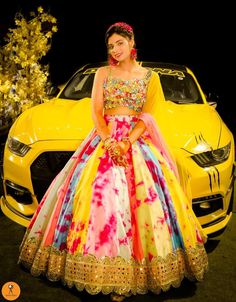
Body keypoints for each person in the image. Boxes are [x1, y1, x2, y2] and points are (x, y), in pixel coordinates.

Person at [18, 22, 208, 301]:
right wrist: (108, 141)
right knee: (98, 202)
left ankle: (138, 272)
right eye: (110, 46)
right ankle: (98, 272)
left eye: (120, 43)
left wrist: (127, 141)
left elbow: (150, 115)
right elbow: (96, 111)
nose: (115, 50)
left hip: (136, 141)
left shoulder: (149, 77)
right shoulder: (102, 74)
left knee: (145, 206)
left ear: (132, 43)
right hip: (104, 140)